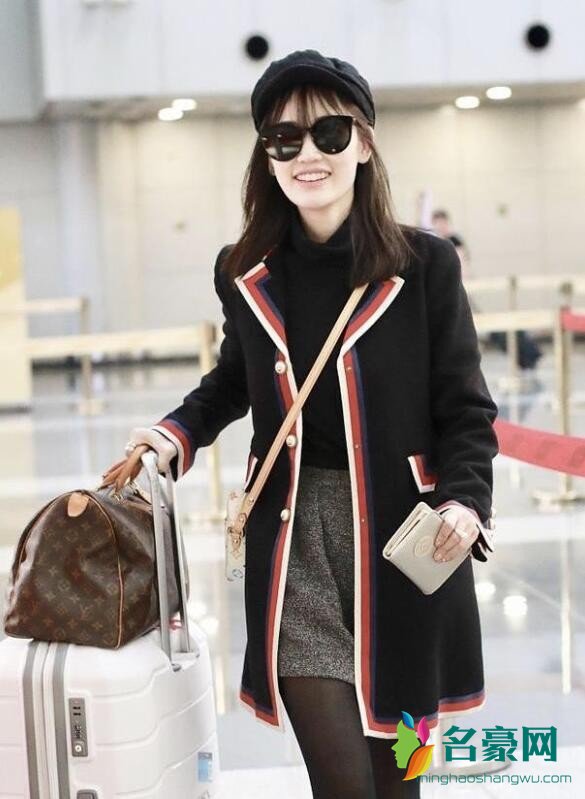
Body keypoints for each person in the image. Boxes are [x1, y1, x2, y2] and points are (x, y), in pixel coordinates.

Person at [101, 50, 499, 799]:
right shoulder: (244, 269)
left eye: (328, 133)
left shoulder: (425, 265)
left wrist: (465, 499)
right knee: (342, 782)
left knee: (398, 780)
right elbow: (234, 378)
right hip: (293, 538)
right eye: (285, 139)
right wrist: (174, 432)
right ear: (267, 155)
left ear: (364, 143)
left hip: (403, 540)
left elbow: (465, 407)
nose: (307, 154)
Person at [432, 208, 543, 373]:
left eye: (441, 223)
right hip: (455, 292)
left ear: (446, 223)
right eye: (436, 224)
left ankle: (528, 356)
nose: (439, 227)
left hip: (462, 290)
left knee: (490, 328)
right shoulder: (440, 243)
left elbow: (462, 269)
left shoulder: (454, 242)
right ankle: (526, 357)